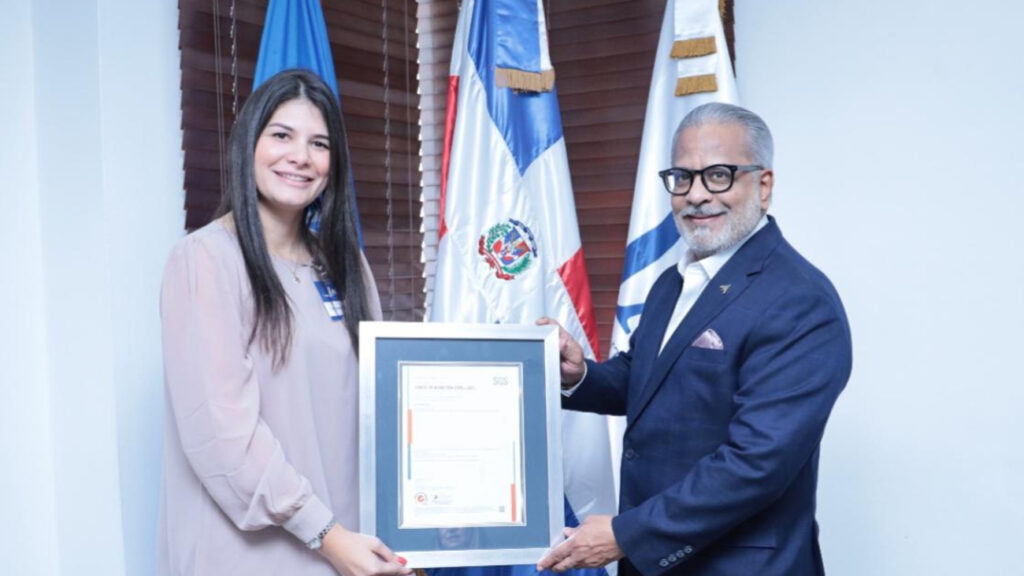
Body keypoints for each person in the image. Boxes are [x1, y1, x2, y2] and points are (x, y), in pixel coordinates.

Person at [537, 103, 852, 576]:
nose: (697, 195)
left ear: (764, 185)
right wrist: (579, 375)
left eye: (719, 175)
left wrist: (627, 534)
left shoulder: (800, 300)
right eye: (682, 178)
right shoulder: (674, 281)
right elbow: (648, 380)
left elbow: (756, 464)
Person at [158, 69, 412, 576]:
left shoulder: (345, 264)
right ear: (248, 145)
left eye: (319, 144)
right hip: (257, 554)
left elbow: (380, 403)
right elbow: (222, 435)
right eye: (281, 135)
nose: (300, 156)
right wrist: (325, 534)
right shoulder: (205, 260)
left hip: (350, 547)